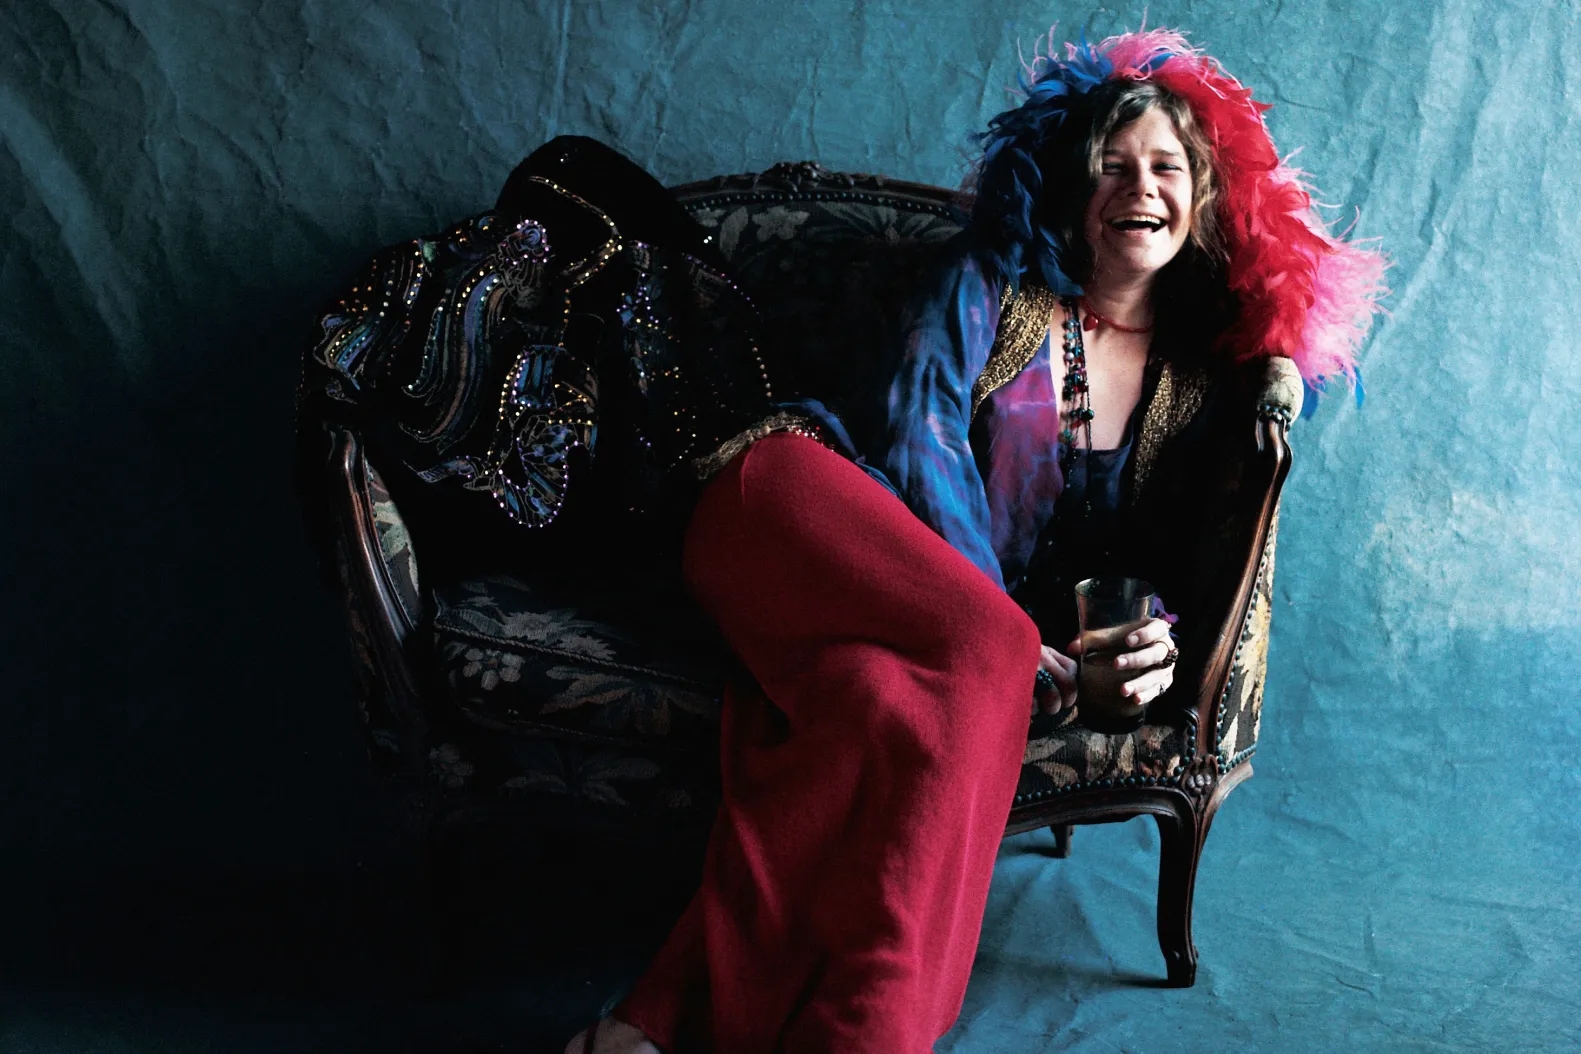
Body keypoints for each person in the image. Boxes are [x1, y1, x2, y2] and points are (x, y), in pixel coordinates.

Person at [567, 26, 1384, 1054]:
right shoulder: (993, 283)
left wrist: (1144, 644)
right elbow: (920, 443)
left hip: (933, 643)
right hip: (781, 509)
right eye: (1112, 164)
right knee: (993, 647)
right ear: (1070, 188)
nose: (1140, 187)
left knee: (880, 706)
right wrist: (1010, 630)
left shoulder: (1196, 379)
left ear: (1204, 197)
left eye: (1166, 168)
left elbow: (1166, 566)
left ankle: (682, 1024)